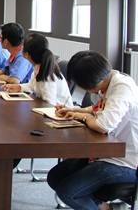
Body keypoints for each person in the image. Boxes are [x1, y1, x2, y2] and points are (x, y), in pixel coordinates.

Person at [48, 51, 138, 210]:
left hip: (126, 161)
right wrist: (75, 110)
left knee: (67, 192)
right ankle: (105, 207)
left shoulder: (122, 88)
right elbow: (101, 109)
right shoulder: (111, 80)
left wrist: (83, 117)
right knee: (56, 177)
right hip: (106, 151)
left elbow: (103, 126)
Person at [1, 33, 73, 107]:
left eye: (22, 46)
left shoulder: (46, 74)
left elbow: (49, 103)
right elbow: (31, 86)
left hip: (60, 111)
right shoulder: (38, 67)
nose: (21, 48)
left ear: (26, 54)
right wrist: (19, 87)